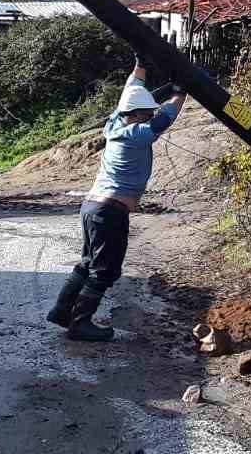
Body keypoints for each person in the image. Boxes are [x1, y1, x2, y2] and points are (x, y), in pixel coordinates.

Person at [46, 57, 187, 342]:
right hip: (110, 211)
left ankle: (62, 311)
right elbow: (164, 119)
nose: (149, 115)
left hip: (92, 207)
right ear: (137, 115)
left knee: (88, 262)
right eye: (145, 113)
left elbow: (132, 87)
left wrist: (143, 66)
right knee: (105, 269)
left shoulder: (114, 122)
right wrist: (180, 93)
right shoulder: (136, 133)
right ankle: (80, 323)